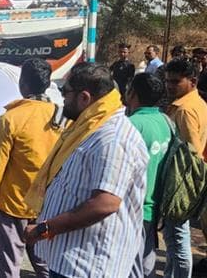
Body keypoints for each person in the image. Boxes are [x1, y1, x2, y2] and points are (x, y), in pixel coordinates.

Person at [23, 63, 148, 278]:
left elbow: (105, 203)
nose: (61, 97)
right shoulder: (89, 126)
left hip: (89, 265)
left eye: (65, 91)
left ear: (84, 98)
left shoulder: (112, 138)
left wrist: (45, 229)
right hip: (71, 260)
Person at [0, 58, 60, 278]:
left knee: (8, 267)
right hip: (48, 206)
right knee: (46, 265)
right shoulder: (61, 118)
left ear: (23, 84)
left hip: (14, 205)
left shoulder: (11, 118)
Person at [162, 58, 207, 277]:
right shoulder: (196, 103)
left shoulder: (185, 110)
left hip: (181, 183)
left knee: (177, 239)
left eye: (175, 81)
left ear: (193, 81)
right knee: (175, 238)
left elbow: (193, 154)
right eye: (168, 81)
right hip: (185, 182)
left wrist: (182, 191)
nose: (170, 86)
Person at [125, 73, 172, 277]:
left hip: (133, 207)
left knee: (131, 265)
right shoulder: (167, 122)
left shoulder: (131, 125)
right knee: (146, 262)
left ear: (132, 93)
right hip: (157, 204)